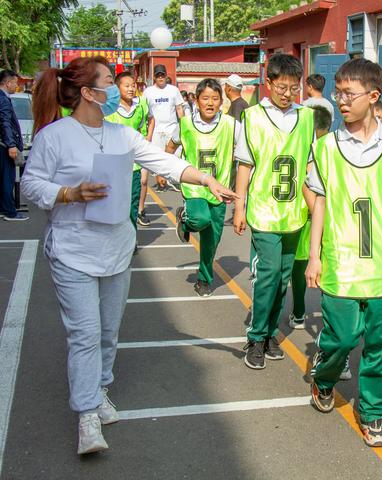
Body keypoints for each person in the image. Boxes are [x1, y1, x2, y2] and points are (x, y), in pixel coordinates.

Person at [22, 56, 236, 456]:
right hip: (72, 252)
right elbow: (31, 184)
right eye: (109, 81)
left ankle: (99, 389)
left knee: (107, 330)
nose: (127, 85)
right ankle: (86, 414)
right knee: (84, 334)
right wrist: (68, 193)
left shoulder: (122, 135)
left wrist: (205, 178)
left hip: (116, 250)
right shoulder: (55, 137)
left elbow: (165, 162)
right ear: (89, 92)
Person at [305, 58, 382, 447]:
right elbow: (318, 202)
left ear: (373, 96)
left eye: (348, 94)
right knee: (342, 337)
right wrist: (315, 254)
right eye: (338, 93)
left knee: (380, 347)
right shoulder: (325, 148)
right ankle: (323, 378)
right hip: (340, 264)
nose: (341, 101)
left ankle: (372, 413)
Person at [234, 53, 315, 370]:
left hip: (294, 212)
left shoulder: (306, 118)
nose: (287, 93)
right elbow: (245, 164)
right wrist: (240, 206)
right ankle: (255, 337)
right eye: (281, 87)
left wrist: (315, 207)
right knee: (266, 276)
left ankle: (269, 334)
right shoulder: (253, 117)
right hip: (264, 210)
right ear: (268, 83)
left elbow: (309, 164)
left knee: (283, 278)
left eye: (293, 88)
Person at [340, 99, 382, 389]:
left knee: (380, 327)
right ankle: (336, 356)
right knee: (344, 331)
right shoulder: (336, 151)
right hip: (346, 250)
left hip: (380, 251)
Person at [167, 78, 240, 297]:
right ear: (196, 100)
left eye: (215, 98)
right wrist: (166, 170)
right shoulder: (186, 124)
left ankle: (204, 278)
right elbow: (170, 146)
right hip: (194, 188)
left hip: (220, 191)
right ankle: (186, 220)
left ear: (222, 101)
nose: (210, 103)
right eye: (205, 98)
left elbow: (247, 150)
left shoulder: (231, 125)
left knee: (211, 241)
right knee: (200, 219)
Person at [288, 105, 332, 330]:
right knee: (327, 263)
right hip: (329, 215)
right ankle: (330, 318)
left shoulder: (304, 146)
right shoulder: (334, 146)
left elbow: (305, 181)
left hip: (306, 213)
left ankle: (297, 312)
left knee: (300, 262)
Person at [105, 71, 151, 230]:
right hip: (113, 165)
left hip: (134, 164)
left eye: (133, 86)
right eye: (127, 86)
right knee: (114, 203)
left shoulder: (141, 106)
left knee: (132, 201)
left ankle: (130, 238)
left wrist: (147, 138)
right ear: (117, 89)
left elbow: (149, 122)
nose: (131, 89)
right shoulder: (108, 109)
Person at [143, 64, 184, 192]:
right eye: (158, 75)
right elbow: (144, 112)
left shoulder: (173, 90)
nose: (160, 77)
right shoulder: (148, 92)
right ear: (154, 77)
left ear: (166, 76)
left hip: (172, 127)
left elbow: (179, 108)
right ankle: (161, 183)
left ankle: (173, 179)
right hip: (156, 129)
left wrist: (183, 125)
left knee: (174, 155)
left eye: (163, 75)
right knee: (158, 157)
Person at [0, 69, 28, 221]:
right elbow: (5, 123)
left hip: (3, 144)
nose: (16, 86)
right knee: (7, 178)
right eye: (15, 83)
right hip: (4, 145)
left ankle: (4, 207)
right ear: (7, 82)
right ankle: (10, 211)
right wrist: (11, 144)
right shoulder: (3, 100)